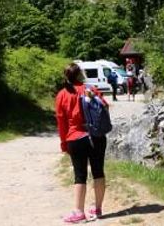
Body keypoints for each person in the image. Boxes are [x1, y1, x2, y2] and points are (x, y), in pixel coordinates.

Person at [56, 63, 108, 223]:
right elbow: (105, 107)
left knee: (80, 175)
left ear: (66, 76)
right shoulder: (90, 89)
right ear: (80, 75)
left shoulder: (62, 94)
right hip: (96, 136)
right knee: (98, 171)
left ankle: (79, 212)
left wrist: (64, 143)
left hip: (75, 137)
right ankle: (97, 209)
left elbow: (61, 122)